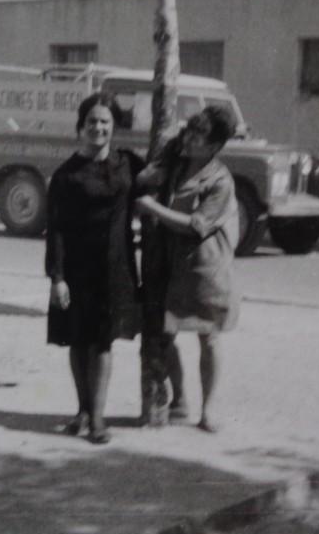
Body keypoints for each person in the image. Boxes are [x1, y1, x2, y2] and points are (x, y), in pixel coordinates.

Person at [45, 92, 143, 444]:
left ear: (113, 128)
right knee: (77, 339)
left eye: (105, 122)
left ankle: (98, 418)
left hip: (115, 268)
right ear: (80, 127)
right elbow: (55, 230)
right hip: (76, 270)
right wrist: (57, 278)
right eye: (92, 122)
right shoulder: (66, 175)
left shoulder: (128, 163)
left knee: (102, 342)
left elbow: (159, 175)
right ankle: (82, 410)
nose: (98, 128)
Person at [135, 105, 240, 433]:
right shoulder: (176, 163)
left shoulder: (221, 180)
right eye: (190, 132)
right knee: (164, 334)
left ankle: (208, 411)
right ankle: (180, 400)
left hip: (205, 269)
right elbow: (143, 178)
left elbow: (197, 226)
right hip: (169, 264)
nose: (189, 139)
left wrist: (151, 207)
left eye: (198, 137)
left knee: (208, 337)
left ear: (213, 147)